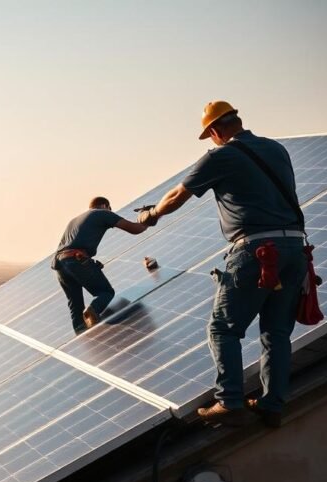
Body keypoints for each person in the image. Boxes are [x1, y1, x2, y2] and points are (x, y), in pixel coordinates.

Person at [137, 101, 306, 427]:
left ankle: (229, 401)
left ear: (214, 131)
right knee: (276, 332)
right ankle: (272, 404)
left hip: (256, 251)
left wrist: (151, 215)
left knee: (223, 328)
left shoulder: (221, 155)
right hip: (295, 248)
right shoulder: (276, 149)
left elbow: (176, 196)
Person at [53, 196, 150, 334]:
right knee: (105, 292)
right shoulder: (102, 213)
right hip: (76, 259)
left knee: (75, 306)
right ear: (105, 205)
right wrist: (147, 218)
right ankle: (92, 310)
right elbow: (135, 229)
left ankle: (81, 332)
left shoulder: (74, 220)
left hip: (60, 266)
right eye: (110, 209)